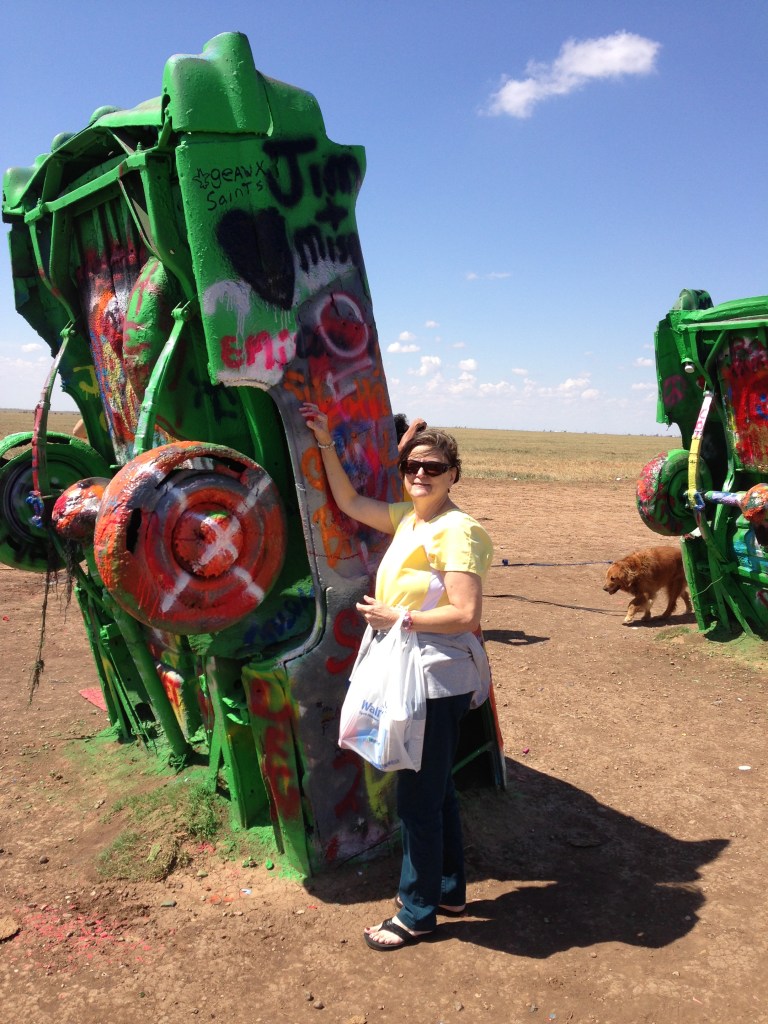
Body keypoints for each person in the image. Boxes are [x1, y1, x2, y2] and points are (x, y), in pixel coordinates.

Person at [300, 402, 493, 951]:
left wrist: (398, 618)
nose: (421, 475)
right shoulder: (412, 519)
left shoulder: (457, 530)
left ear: (454, 475)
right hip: (420, 674)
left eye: (434, 467)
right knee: (437, 791)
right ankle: (449, 893)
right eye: (412, 466)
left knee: (417, 801)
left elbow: (466, 614)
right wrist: (325, 442)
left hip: (434, 679)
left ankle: (416, 913)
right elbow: (349, 502)